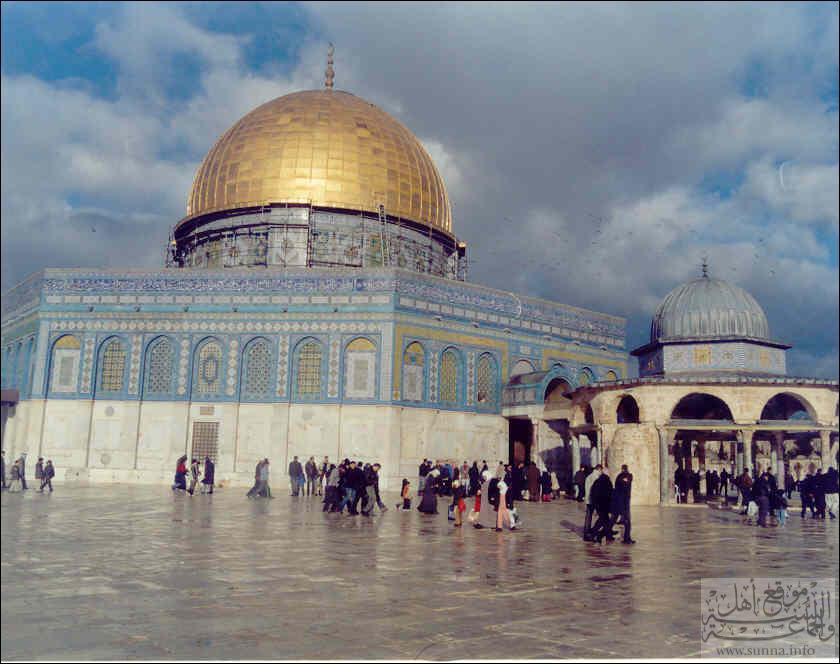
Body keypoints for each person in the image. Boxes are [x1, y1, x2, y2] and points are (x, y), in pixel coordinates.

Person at [609, 465, 635, 544]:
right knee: (627, 521)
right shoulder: (626, 476)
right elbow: (626, 484)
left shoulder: (620, 477)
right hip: (623, 502)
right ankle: (626, 538)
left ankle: (607, 534)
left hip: (618, 502)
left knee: (614, 518)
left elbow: (619, 486)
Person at [589, 467, 614, 543]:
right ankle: (594, 534)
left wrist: (594, 504)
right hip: (605, 504)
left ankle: (607, 535)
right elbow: (610, 494)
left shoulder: (597, 481)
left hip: (599, 504)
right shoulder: (607, 481)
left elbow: (593, 493)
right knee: (603, 520)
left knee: (604, 520)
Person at [582, 464, 602, 541]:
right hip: (594, 499)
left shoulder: (589, 476)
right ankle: (593, 532)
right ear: (599, 469)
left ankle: (587, 531)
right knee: (601, 517)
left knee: (588, 515)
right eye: (601, 470)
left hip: (588, 499)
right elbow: (596, 490)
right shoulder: (596, 477)